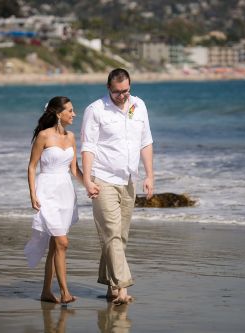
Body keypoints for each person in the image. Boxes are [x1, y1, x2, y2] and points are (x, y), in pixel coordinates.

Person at [81, 68, 154, 305]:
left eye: (126, 91)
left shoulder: (139, 105)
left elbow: (146, 142)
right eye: (117, 92)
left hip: (129, 179)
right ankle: (122, 288)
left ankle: (111, 284)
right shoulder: (95, 110)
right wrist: (87, 180)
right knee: (111, 233)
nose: (122, 96)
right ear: (108, 88)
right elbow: (88, 146)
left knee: (120, 236)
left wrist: (150, 175)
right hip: (103, 179)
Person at [24, 96, 82, 304]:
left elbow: (74, 169)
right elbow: (32, 166)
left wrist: (90, 185)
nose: (74, 114)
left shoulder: (72, 137)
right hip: (47, 191)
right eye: (70, 110)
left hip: (66, 193)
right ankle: (65, 292)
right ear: (59, 114)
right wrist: (33, 194)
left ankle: (46, 292)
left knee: (56, 245)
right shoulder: (43, 136)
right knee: (62, 242)